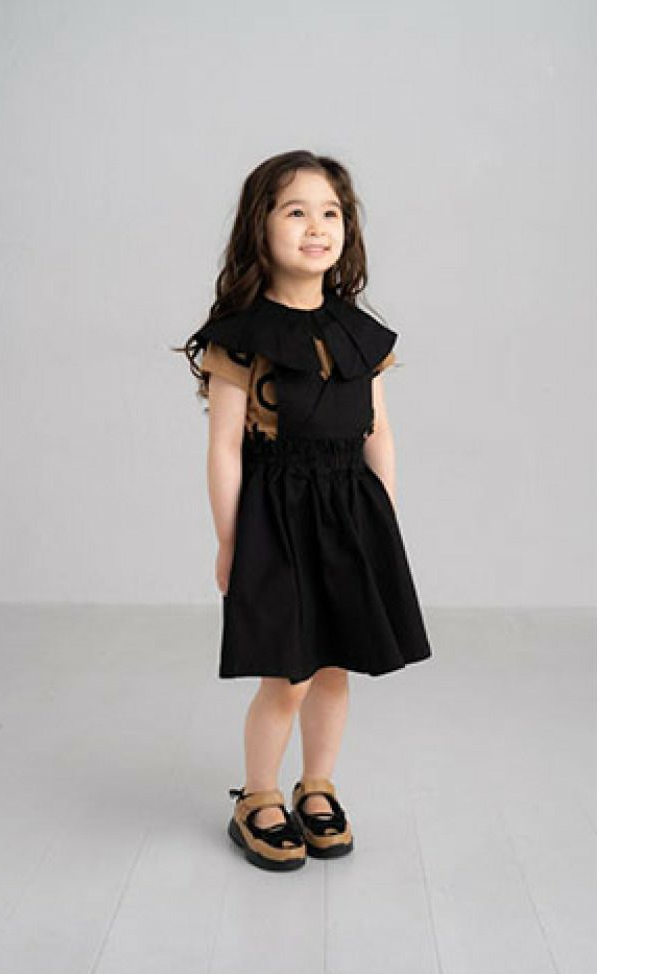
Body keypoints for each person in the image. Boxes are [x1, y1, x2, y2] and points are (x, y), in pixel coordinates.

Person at [179, 150, 432, 871]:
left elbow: (378, 430)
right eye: (296, 211)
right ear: (260, 227)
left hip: (350, 512)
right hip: (277, 519)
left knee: (335, 668)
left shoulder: (359, 333)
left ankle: (316, 785)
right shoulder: (241, 337)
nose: (317, 227)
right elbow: (224, 448)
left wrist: (383, 521)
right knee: (287, 676)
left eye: (331, 213)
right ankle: (258, 795)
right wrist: (230, 541)